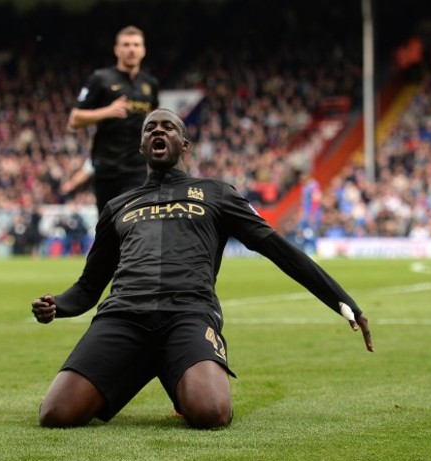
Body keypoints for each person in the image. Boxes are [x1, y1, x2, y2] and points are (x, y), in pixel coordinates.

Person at [31, 109, 373, 430]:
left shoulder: (217, 194)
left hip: (188, 315)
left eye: (168, 126)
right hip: (124, 317)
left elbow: (277, 248)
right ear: (142, 146)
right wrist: (57, 305)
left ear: (184, 144)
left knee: (211, 413)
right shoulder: (118, 206)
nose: (158, 130)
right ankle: (164, 369)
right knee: (56, 414)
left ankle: (178, 372)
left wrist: (342, 302)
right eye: (150, 127)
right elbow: (89, 288)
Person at [62, 25, 159, 213]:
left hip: (138, 167)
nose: (131, 49)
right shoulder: (101, 79)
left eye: (136, 45)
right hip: (107, 168)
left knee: (133, 219)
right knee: (109, 228)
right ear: (117, 49)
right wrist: (108, 111)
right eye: (126, 44)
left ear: (143, 50)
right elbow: (74, 119)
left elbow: (154, 119)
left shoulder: (150, 84)